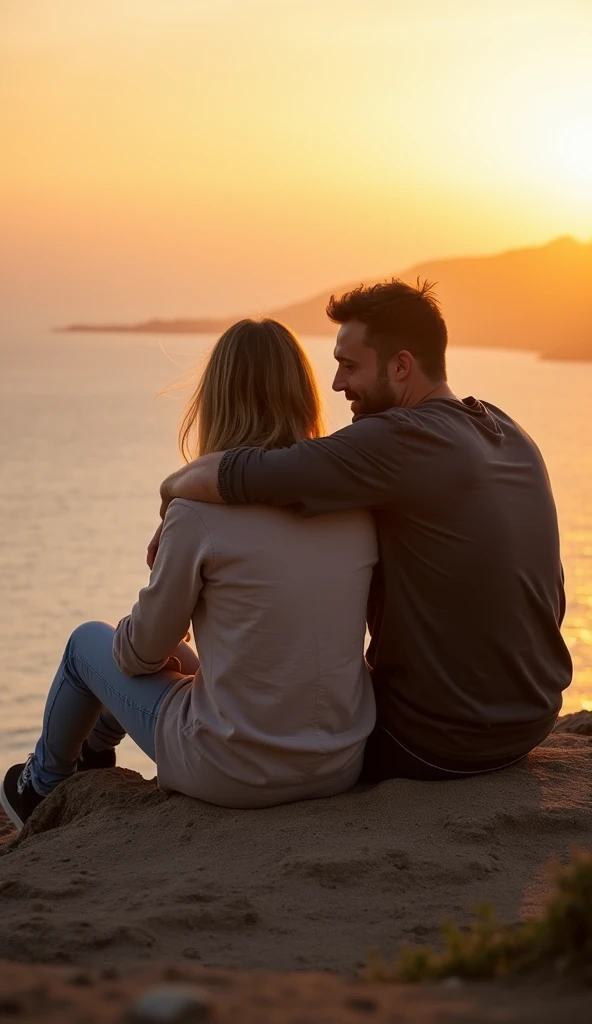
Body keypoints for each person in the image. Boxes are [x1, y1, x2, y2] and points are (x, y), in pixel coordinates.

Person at [154, 280, 573, 783]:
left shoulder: (400, 438)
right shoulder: (507, 431)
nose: (335, 384)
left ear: (401, 366)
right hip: (532, 720)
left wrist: (172, 488)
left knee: (188, 673)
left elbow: (252, 473)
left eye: (349, 366)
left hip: (434, 743)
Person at [1, 319, 377, 831]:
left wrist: (165, 601)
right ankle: (93, 756)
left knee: (88, 645)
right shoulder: (353, 507)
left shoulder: (198, 514)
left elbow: (139, 653)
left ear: (216, 399)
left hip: (235, 772)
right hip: (339, 762)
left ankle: (40, 785)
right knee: (175, 661)